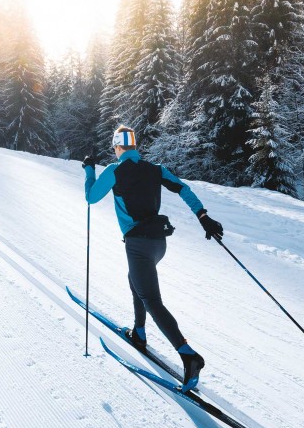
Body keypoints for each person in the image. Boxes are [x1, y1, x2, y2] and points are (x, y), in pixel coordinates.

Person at [82, 125, 224, 391]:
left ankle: (188, 355)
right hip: (158, 244)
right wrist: (202, 216)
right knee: (136, 281)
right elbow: (182, 189)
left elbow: (90, 197)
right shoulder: (155, 168)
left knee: (151, 300)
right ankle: (139, 332)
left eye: (115, 148)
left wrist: (89, 169)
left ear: (117, 147)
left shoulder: (114, 171)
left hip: (138, 244)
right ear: (135, 146)